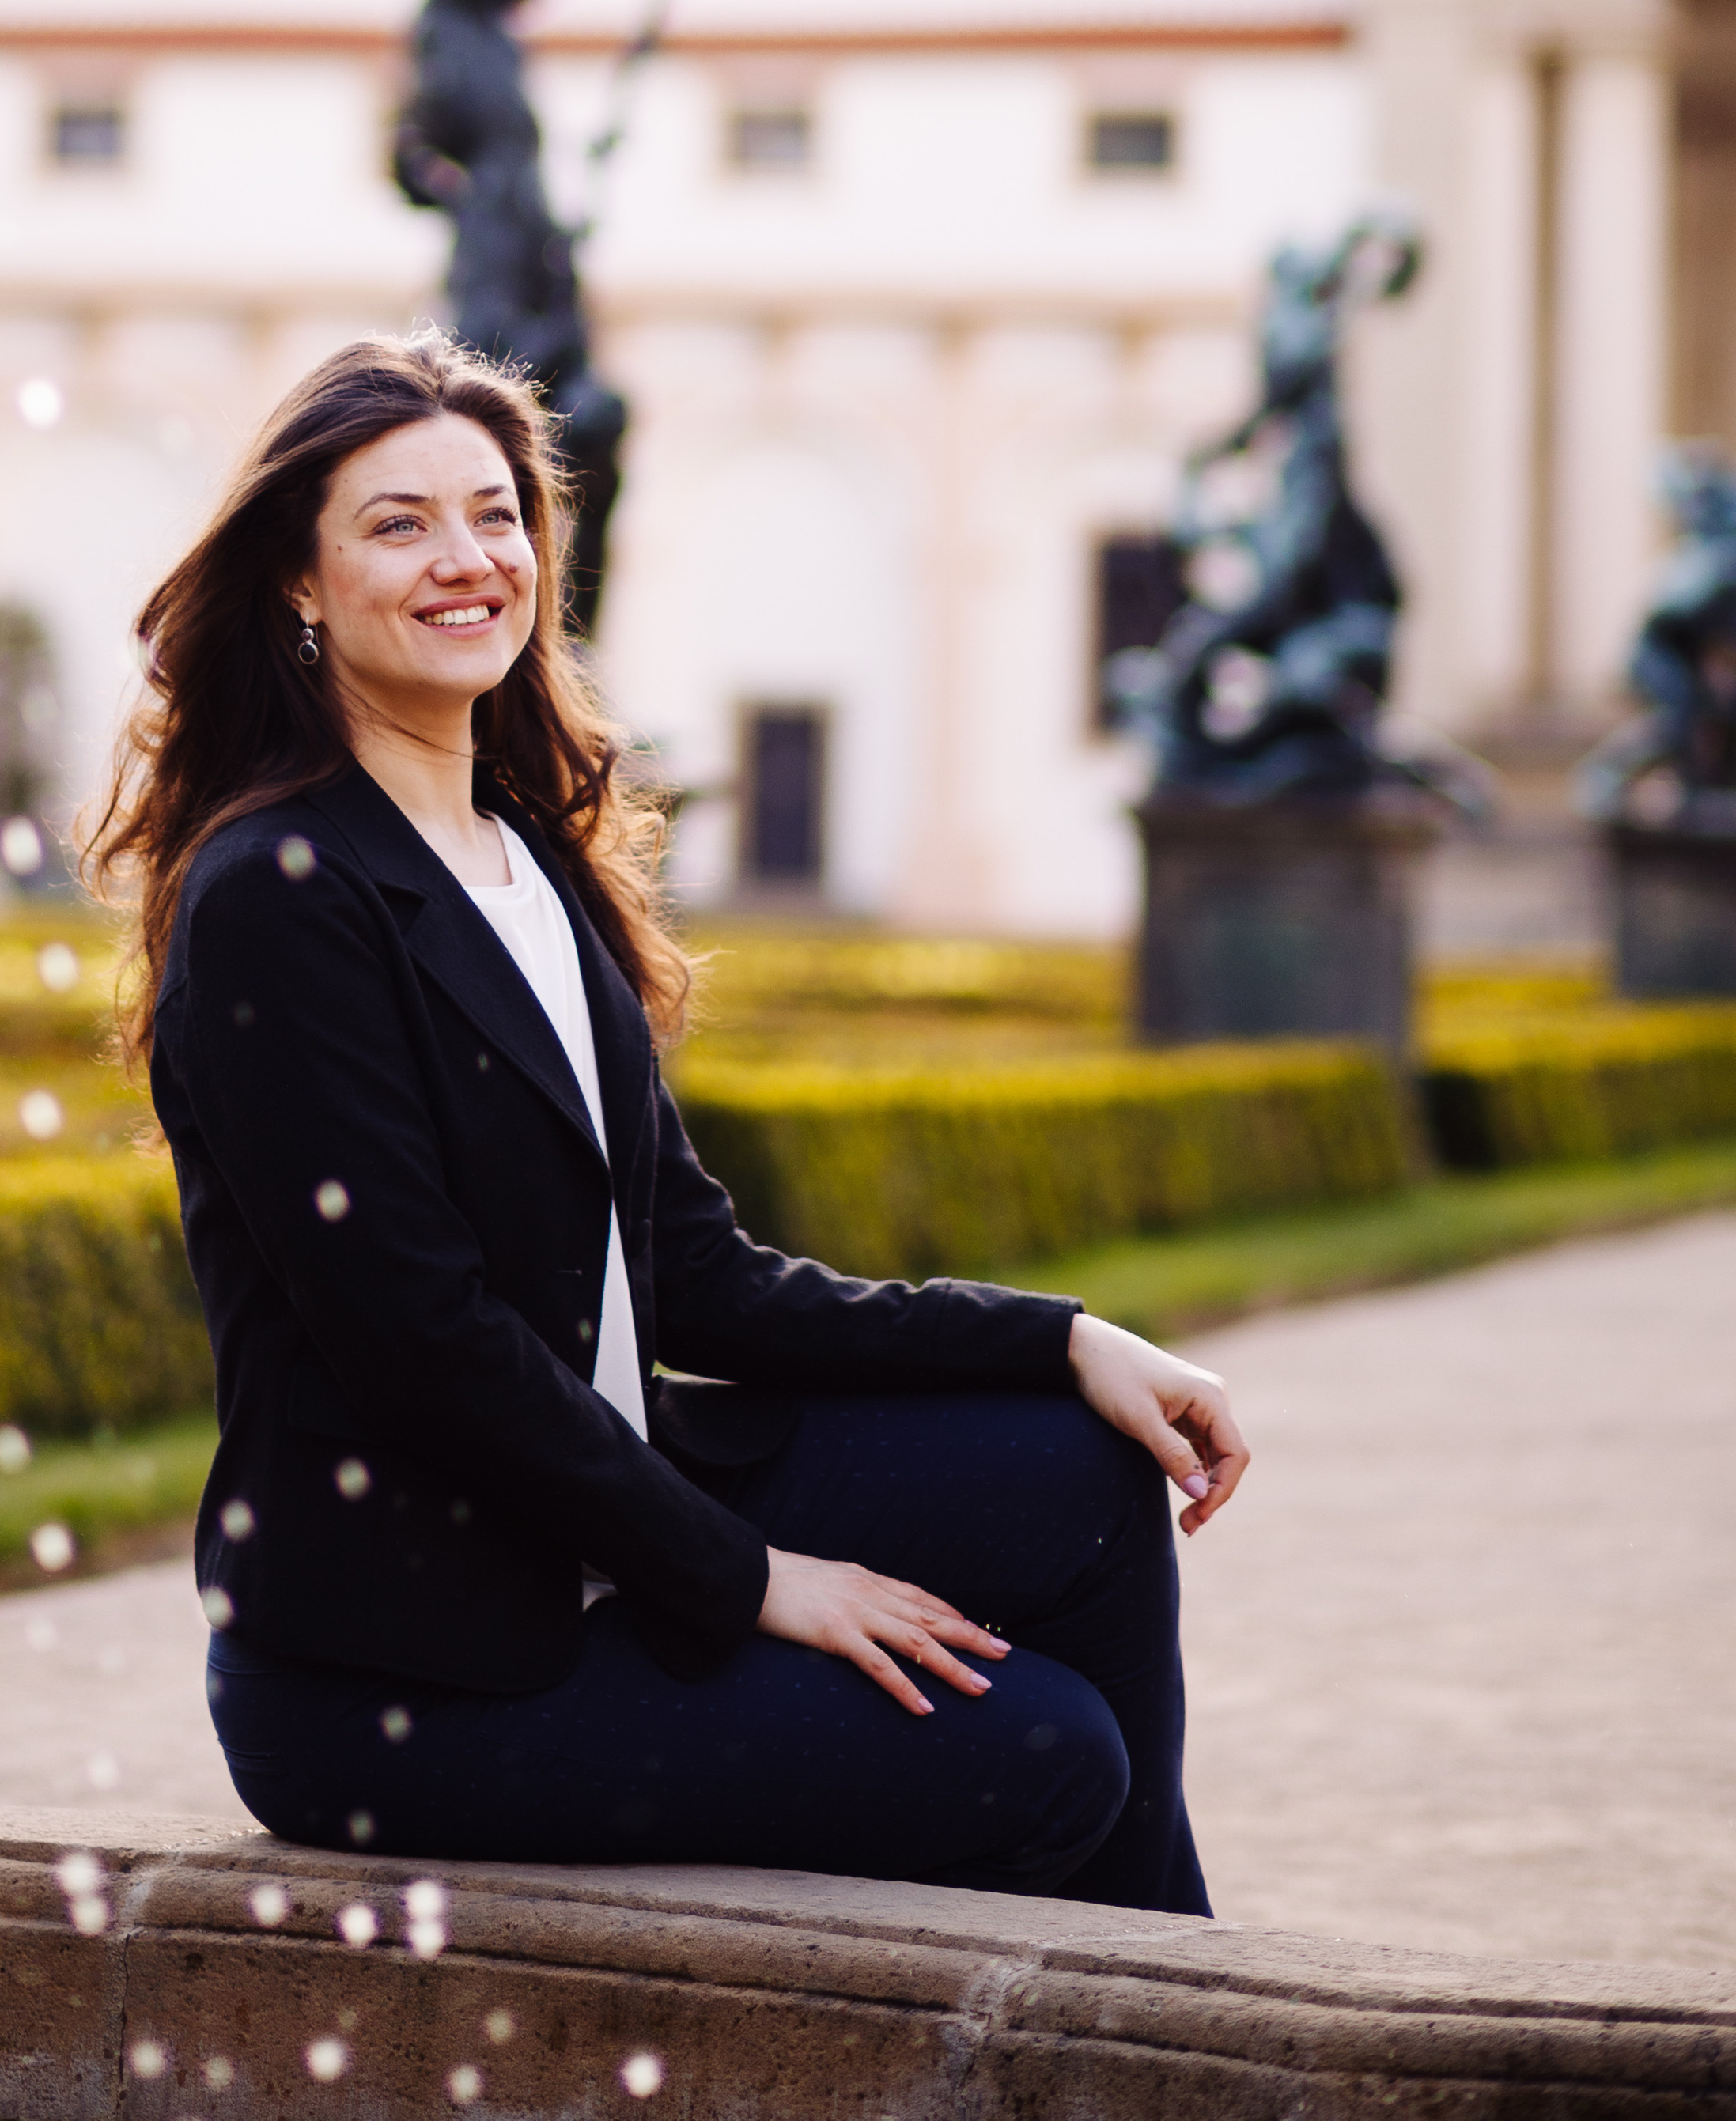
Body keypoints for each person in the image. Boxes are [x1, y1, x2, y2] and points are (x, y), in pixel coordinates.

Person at [85, 331, 1250, 1907]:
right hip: (411, 1671)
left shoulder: (526, 859)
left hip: (597, 1517)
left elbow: (701, 1277)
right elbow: (424, 1347)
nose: (466, 560)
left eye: (495, 515)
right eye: (399, 524)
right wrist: (755, 1582)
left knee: (1083, 1474)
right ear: (300, 578)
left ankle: (1160, 1998)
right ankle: (1143, 2010)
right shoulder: (276, 891)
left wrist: (1060, 1340)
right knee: (1045, 1754)